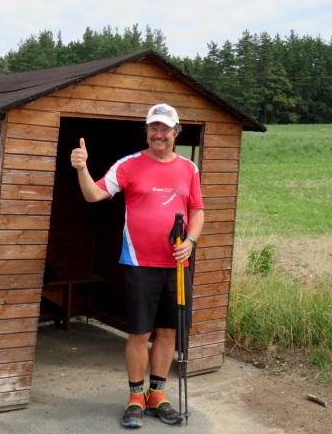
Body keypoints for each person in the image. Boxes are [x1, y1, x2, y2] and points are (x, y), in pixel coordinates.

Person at [70, 103, 204, 428]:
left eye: (165, 128)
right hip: (139, 263)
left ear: (176, 132)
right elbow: (93, 195)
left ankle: (157, 395)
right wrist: (81, 168)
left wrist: (190, 242)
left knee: (168, 331)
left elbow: (198, 211)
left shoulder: (189, 168)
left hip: (177, 264)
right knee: (139, 333)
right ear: (146, 131)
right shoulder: (128, 165)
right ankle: (135, 397)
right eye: (153, 128)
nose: (159, 134)